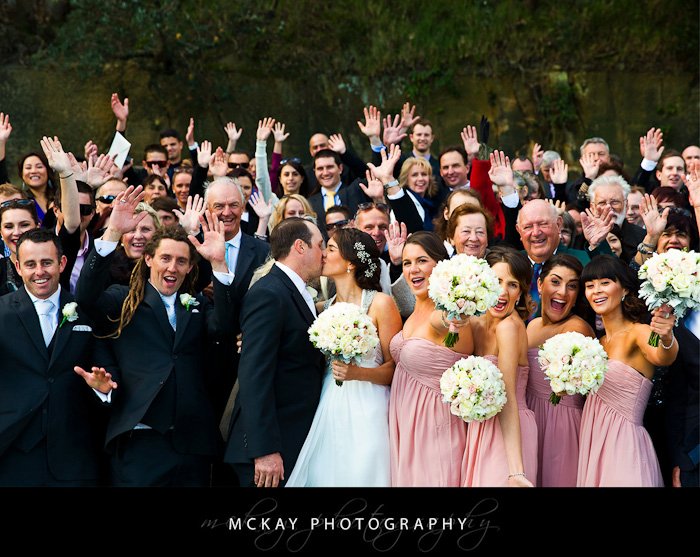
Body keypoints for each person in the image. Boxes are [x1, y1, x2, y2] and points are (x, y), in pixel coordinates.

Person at [75, 186, 235, 486]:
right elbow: (85, 297)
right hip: (140, 441)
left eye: (181, 261)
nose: (172, 267)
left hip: (193, 446)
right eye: (165, 259)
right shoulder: (122, 300)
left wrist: (218, 263)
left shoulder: (199, 305)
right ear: (149, 259)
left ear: (189, 268)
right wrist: (111, 233)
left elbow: (224, 327)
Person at [287, 228, 401, 486]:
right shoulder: (322, 309)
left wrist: (359, 373)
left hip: (370, 407)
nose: (323, 254)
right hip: (329, 403)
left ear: (350, 262)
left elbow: (395, 367)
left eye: (331, 249)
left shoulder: (381, 304)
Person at [224, 217, 327, 487]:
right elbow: (254, 374)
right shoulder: (269, 293)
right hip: (269, 450)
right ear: (300, 247)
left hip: (293, 437)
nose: (324, 252)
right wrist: (264, 450)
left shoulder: (293, 290)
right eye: (320, 245)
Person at [0, 228, 106, 486]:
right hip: (12, 452)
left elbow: (106, 373)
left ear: (62, 263)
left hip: (74, 456)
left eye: (47, 262)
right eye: (30, 264)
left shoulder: (86, 312)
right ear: (18, 266)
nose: (39, 272)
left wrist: (103, 390)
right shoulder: (1, 313)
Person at [577, 255, 677, 486]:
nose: (596, 291)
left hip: (624, 445)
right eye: (590, 286)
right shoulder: (596, 344)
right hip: (592, 443)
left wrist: (666, 336)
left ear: (623, 289)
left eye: (605, 283)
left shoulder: (639, 332)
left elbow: (662, 356)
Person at [389, 231, 474, 486]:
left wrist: (453, 318)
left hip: (434, 424)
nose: (413, 269)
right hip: (404, 422)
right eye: (407, 263)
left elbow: (444, 321)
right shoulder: (410, 311)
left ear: (440, 265)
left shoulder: (445, 312)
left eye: (422, 260)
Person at [463, 246, 536, 487]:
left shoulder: (509, 327)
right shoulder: (476, 322)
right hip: (481, 425)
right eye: (497, 281)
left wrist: (516, 470)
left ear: (521, 292)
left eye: (513, 285)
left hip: (509, 428)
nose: (503, 292)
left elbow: (508, 397)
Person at [525, 255, 594, 486]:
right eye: (555, 282)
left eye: (572, 286)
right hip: (531, 422)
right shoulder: (532, 325)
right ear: (539, 284)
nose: (563, 292)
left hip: (561, 428)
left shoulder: (577, 329)